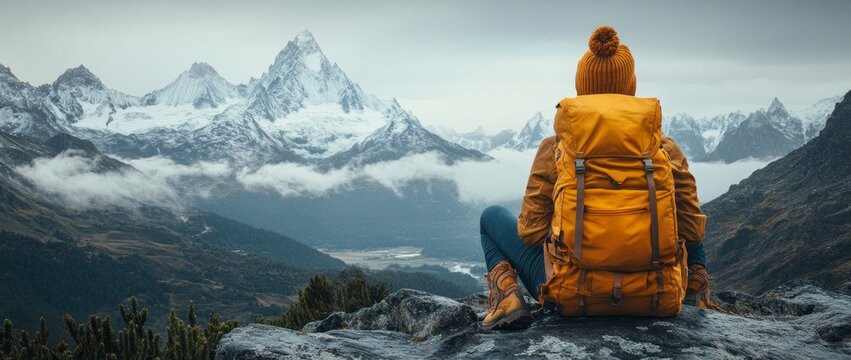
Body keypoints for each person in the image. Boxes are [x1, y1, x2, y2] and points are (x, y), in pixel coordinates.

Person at [479, 25, 712, 330]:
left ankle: (506, 298)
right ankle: (696, 293)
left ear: (581, 89)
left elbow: (530, 234)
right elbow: (693, 231)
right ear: (630, 87)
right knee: (686, 213)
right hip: (657, 294)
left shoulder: (556, 148)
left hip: (571, 295)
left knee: (490, 217)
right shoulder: (663, 148)